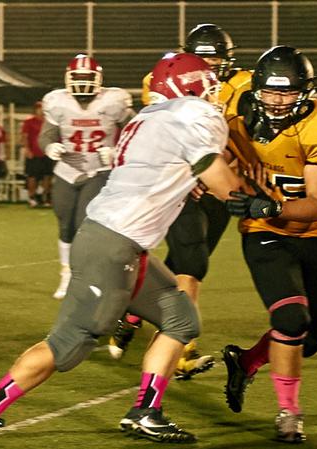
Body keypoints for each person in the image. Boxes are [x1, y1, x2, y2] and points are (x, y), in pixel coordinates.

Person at [0, 53, 247, 444]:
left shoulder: (153, 116)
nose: (213, 93)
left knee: (181, 319)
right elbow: (213, 169)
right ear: (189, 87)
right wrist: (248, 199)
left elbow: (163, 168)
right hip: (113, 244)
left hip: (122, 242)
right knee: (72, 343)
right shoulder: (190, 114)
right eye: (207, 84)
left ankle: (146, 410)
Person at [222, 46, 317, 443]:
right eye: (270, 92)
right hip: (264, 233)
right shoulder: (235, 117)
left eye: (287, 93)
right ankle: (289, 412)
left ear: (305, 92)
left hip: (313, 235)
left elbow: (316, 205)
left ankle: (245, 361)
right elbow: (214, 156)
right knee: (291, 319)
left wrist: (274, 203)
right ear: (256, 88)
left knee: (308, 340)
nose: (278, 101)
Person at [116, 23, 252, 377]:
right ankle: (182, 348)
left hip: (219, 182)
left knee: (189, 258)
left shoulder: (245, 87)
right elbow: (171, 133)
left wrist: (222, 176)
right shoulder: (162, 81)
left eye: (215, 59)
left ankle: (133, 312)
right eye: (201, 58)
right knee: (193, 264)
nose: (209, 65)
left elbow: (243, 139)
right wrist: (192, 174)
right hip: (186, 184)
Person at [41, 54, 133, 299]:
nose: (82, 82)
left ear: (98, 79)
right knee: (65, 223)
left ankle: (85, 275)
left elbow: (135, 132)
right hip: (67, 170)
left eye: (87, 77)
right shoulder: (58, 102)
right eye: (78, 77)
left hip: (98, 170)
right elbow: (46, 135)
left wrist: (116, 152)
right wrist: (51, 147)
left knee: (84, 221)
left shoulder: (113, 101)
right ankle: (67, 273)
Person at [20, 101, 52, 207]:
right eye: (39, 108)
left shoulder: (49, 122)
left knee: (47, 176)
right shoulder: (29, 122)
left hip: (47, 153)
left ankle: (46, 196)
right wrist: (27, 149)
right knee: (32, 176)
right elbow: (24, 136)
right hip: (34, 153)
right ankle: (32, 196)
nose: (41, 110)